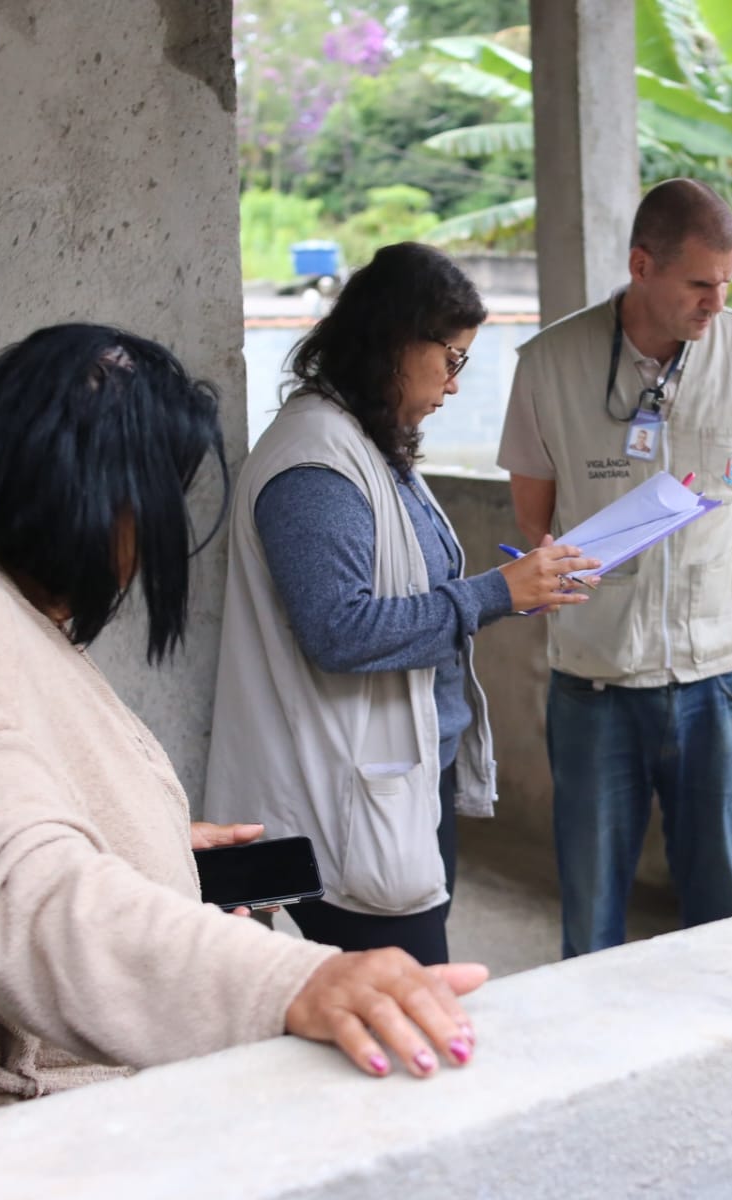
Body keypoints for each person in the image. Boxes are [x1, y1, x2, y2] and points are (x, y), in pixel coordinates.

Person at [0, 324, 487, 1161]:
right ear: (85, 494)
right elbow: (29, 902)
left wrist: (145, 846)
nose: (138, 559)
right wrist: (294, 980)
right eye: (150, 511)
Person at [205, 244, 598, 965]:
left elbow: (409, 592)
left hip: (397, 782)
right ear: (393, 342)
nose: (454, 385)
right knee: (408, 1004)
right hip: (337, 801)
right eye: (451, 359)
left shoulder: (365, 442)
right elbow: (339, 629)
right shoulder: (315, 464)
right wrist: (492, 594)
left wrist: (509, 596)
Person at [498, 179, 732, 957]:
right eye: (698, 283)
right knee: (591, 910)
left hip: (717, 677)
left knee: (721, 901)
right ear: (641, 265)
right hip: (595, 680)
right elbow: (533, 515)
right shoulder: (549, 363)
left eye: (727, 283)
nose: (716, 303)